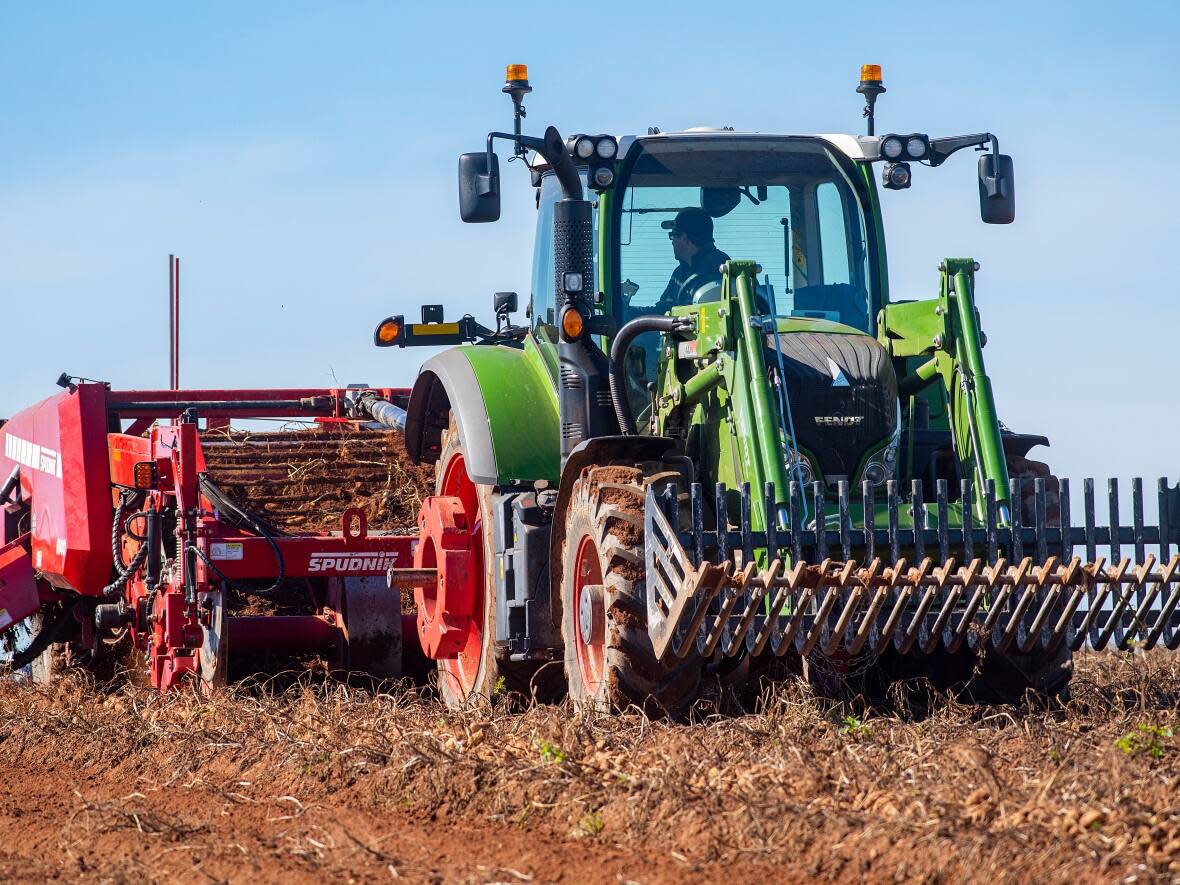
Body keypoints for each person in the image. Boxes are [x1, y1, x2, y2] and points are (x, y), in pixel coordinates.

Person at [655, 207, 730, 313]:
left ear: (684, 238)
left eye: (673, 236)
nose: (672, 242)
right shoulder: (679, 274)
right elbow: (662, 311)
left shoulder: (720, 268)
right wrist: (628, 312)